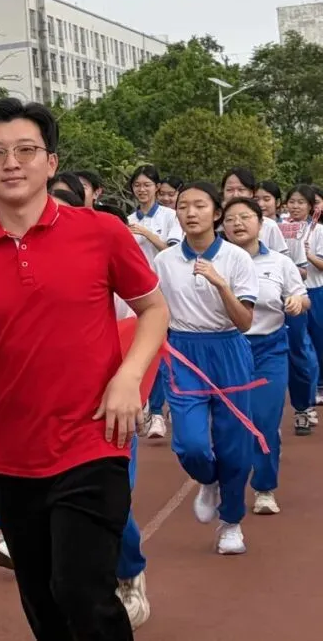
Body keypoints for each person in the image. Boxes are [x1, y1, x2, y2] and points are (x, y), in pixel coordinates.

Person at [0, 98, 168, 641]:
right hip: (13, 453)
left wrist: (128, 378)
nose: (12, 162)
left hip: (94, 438)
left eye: (26, 150)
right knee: (43, 604)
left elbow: (154, 310)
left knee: (81, 589)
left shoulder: (100, 232)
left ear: (50, 162)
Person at [152, 182, 257, 555]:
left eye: (199, 206)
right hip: (183, 352)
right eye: (183, 206)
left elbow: (245, 321)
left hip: (228, 349)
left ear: (216, 213)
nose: (190, 213)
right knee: (191, 443)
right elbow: (153, 312)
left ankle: (231, 523)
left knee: (235, 445)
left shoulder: (236, 259)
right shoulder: (163, 262)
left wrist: (220, 284)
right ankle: (207, 479)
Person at [221, 196, 308, 515]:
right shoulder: (217, 261)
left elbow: (299, 294)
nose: (238, 224)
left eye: (245, 217)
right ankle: (225, 482)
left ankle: (264, 488)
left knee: (265, 419)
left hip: (269, 347)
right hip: (227, 348)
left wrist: (299, 303)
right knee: (228, 423)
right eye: (230, 219)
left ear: (261, 223)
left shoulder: (279, 263)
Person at [127, 164, 182, 440]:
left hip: (167, 289)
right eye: (137, 185)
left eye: (147, 184)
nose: (142, 189)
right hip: (139, 296)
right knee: (150, 351)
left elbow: (172, 250)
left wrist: (146, 234)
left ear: (157, 187)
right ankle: (156, 412)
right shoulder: (128, 219)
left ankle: (174, 401)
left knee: (171, 351)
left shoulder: (172, 216)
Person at [283, 184, 320, 434]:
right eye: (291, 202)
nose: (295, 207)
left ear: (310, 207)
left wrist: (307, 258)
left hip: (313, 292)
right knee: (295, 347)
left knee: (307, 347)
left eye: (300, 202)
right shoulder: (278, 228)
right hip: (283, 296)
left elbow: (314, 268)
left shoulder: (318, 231)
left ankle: (307, 401)